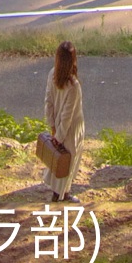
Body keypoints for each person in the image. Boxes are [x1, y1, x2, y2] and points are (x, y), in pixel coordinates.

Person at [42, 40, 84, 201]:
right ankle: (62, 195)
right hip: (72, 129)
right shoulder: (73, 85)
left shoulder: (52, 74)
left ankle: (58, 192)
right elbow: (68, 116)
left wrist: (53, 127)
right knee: (69, 161)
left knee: (58, 161)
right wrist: (59, 136)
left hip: (58, 127)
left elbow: (49, 102)